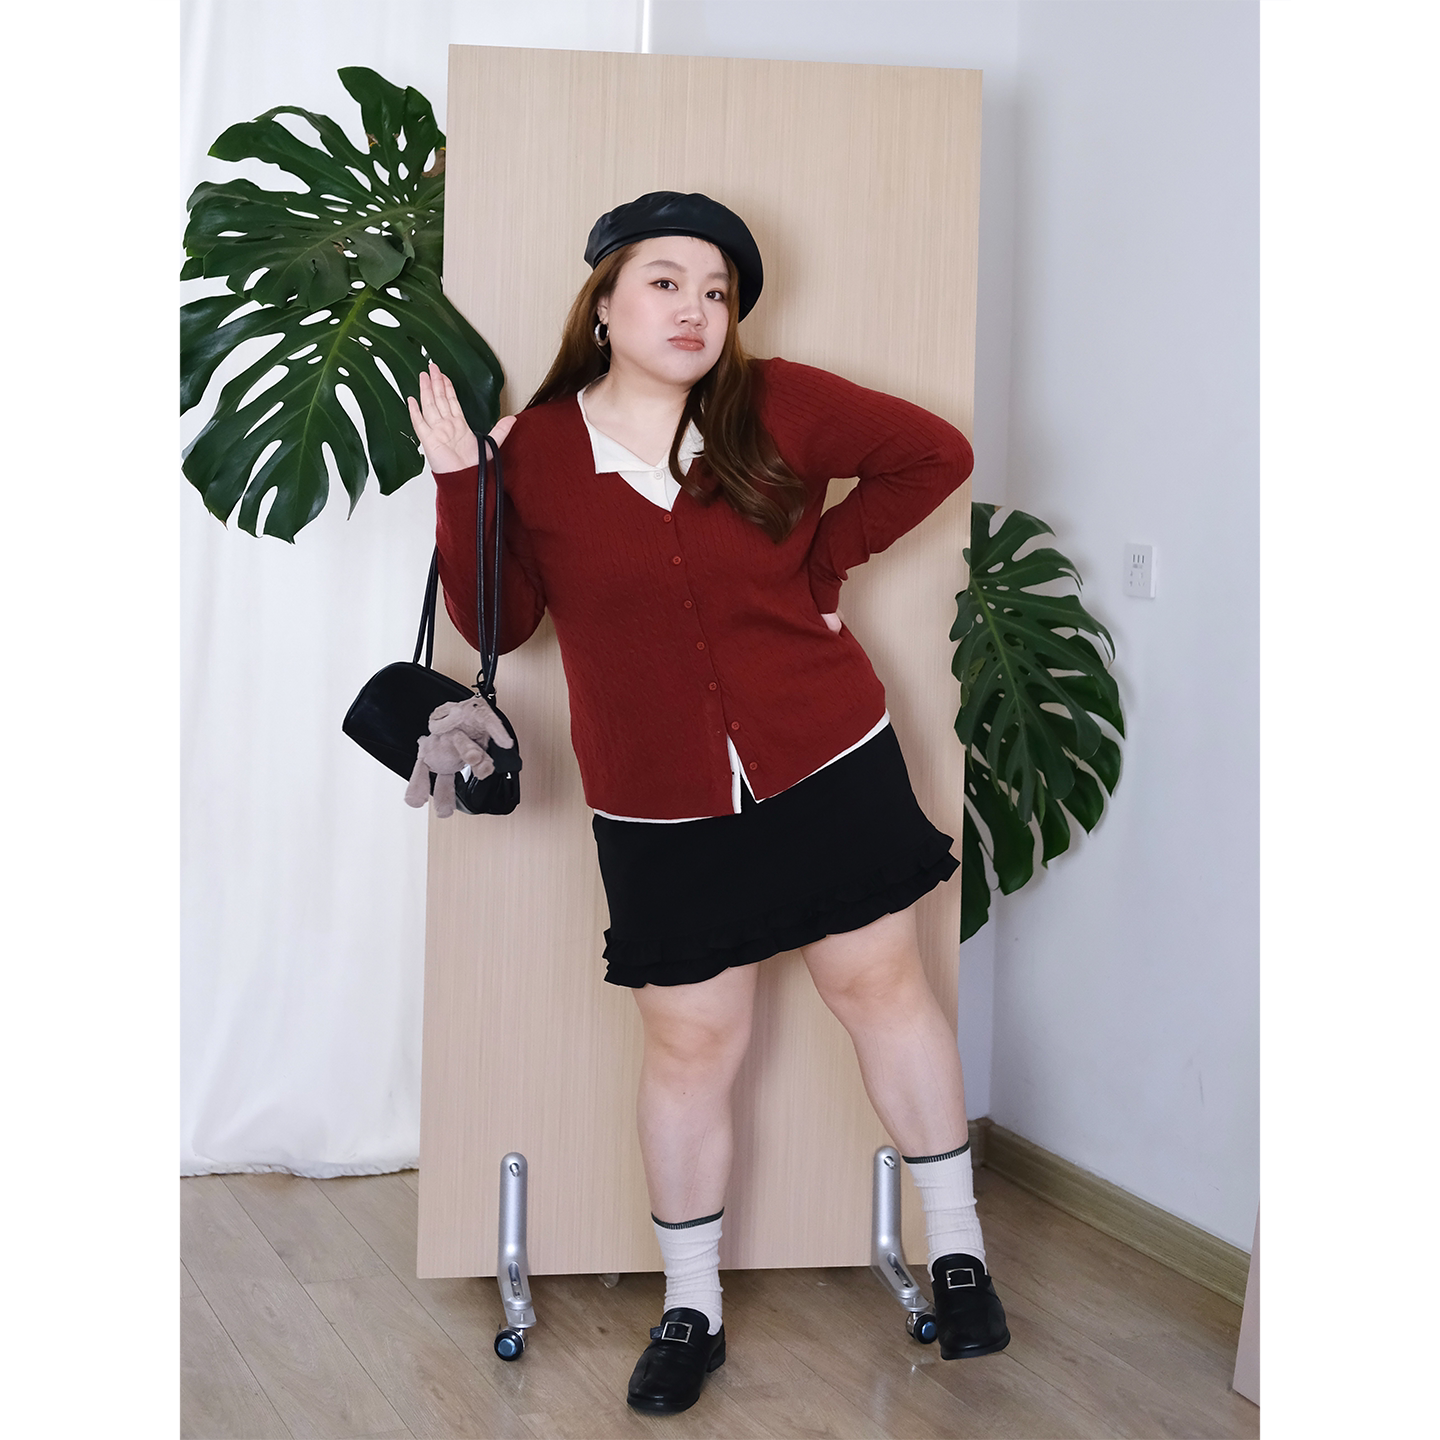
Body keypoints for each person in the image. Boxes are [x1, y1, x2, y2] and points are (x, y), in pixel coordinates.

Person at [407, 191, 1009, 1415]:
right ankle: (693, 1308)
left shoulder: (777, 404)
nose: (695, 308)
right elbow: (502, 622)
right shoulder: (537, 450)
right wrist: (463, 479)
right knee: (691, 1046)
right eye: (666, 282)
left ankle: (959, 1253)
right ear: (605, 303)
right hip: (659, 802)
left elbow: (935, 455)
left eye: (718, 291)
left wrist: (826, 560)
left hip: (827, 758)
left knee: (883, 991)